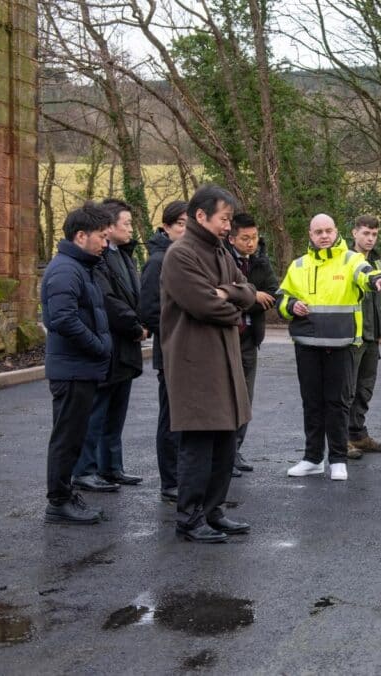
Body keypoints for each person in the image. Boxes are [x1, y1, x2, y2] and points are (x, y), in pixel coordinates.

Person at [160, 185, 256, 543]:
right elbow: (204, 305)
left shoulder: (220, 252)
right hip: (195, 364)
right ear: (201, 216)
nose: (228, 227)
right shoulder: (180, 254)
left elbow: (248, 290)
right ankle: (190, 517)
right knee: (198, 445)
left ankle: (213, 511)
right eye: (224, 219)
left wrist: (228, 292)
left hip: (224, 363)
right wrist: (232, 302)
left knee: (224, 444)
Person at [278, 214, 381, 482]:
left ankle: (338, 459)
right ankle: (312, 459)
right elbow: (282, 297)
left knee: (338, 403)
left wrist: (378, 280)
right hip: (307, 344)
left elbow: (366, 274)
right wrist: (291, 305)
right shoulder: (298, 265)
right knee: (312, 404)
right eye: (318, 231)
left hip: (341, 345)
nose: (324, 235)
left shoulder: (350, 259)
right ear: (310, 234)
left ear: (337, 231)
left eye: (328, 230)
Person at [41, 203, 113, 524]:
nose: (105, 243)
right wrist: (98, 347)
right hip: (72, 369)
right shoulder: (65, 269)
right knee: (66, 438)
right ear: (81, 236)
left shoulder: (80, 267)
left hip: (79, 368)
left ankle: (65, 493)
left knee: (72, 436)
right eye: (101, 236)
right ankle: (58, 502)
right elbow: (62, 318)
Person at [72, 198, 146, 492]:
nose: (130, 229)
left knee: (117, 411)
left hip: (125, 347)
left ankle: (111, 466)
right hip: (110, 344)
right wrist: (135, 325)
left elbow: (133, 295)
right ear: (110, 226)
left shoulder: (124, 255)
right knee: (97, 412)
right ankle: (85, 471)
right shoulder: (98, 260)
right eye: (126, 224)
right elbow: (108, 301)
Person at [139, 200, 187, 502]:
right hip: (169, 352)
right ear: (166, 227)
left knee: (184, 419)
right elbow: (148, 310)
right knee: (171, 419)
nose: (185, 230)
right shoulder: (158, 260)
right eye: (180, 224)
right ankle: (170, 481)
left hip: (186, 352)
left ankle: (182, 475)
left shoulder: (181, 257)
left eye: (188, 224)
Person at [227, 213, 279, 474]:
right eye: (245, 238)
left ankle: (235, 450)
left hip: (250, 338)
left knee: (246, 397)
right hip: (227, 337)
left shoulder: (260, 260)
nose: (251, 243)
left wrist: (249, 295)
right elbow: (223, 294)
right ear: (232, 238)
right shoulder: (223, 259)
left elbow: (273, 293)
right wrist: (252, 295)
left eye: (254, 238)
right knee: (227, 397)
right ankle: (224, 454)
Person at [346, 215, 381, 458]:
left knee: (365, 388)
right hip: (352, 337)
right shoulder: (345, 261)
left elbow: (379, 301)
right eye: (366, 233)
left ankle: (358, 435)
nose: (370, 238)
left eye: (374, 234)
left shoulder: (377, 262)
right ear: (354, 233)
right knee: (347, 389)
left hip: (372, 336)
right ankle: (342, 439)